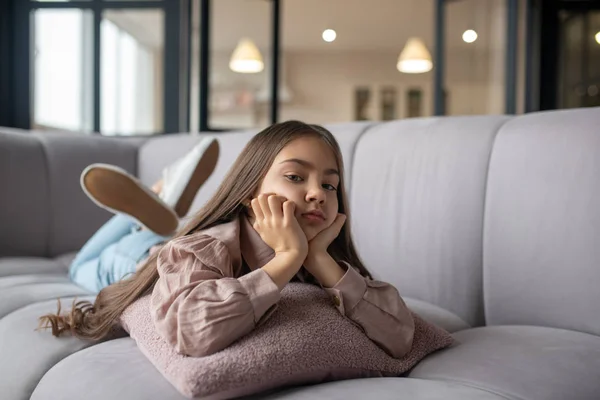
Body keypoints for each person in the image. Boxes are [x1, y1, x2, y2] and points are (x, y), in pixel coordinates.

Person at [40, 121, 416, 359]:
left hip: (179, 238)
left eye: (330, 184)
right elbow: (191, 330)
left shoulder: (324, 258)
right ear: (249, 189)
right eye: (296, 178)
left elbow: (400, 335)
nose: (317, 192)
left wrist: (319, 261)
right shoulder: (205, 247)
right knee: (82, 266)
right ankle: (141, 214)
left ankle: (162, 208)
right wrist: (286, 258)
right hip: (142, 261)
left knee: (168, 230)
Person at [68, 137, 220, 293]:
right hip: (153, 256)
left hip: (147, 259)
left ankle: (159, 195)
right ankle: (160, 197)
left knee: (77, 268)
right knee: (81, 267)